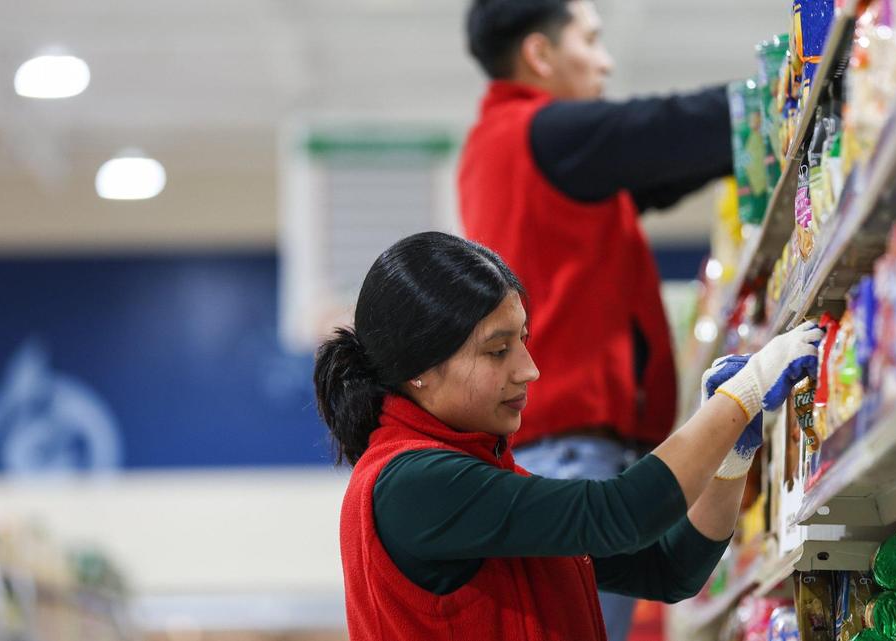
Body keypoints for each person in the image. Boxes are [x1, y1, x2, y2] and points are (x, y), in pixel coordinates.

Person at [314, 232, 820, 641]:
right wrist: (744, 393)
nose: (528, 370)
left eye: (523, 341)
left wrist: (731, 457)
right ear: (418, 369)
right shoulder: (411, 483)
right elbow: (621, 513)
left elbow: (670, 570)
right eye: (497, 351)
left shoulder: (480, 477)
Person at [458, 2, 735, 635]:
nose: (606, 60)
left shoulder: (501, 152)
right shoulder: (542, 132)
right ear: (540, 54)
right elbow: (662, 131)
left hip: (556, 449)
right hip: (573, 453)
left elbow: (658, 173)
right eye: (590, 39)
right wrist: (787, 86)